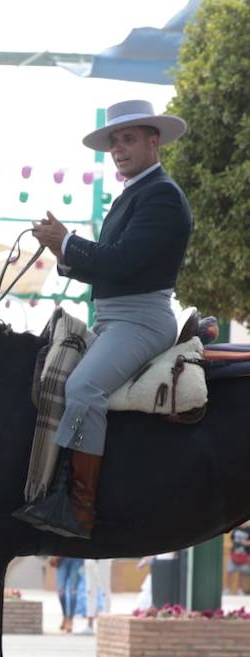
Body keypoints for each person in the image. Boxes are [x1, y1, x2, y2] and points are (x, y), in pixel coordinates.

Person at [20, 100, 193, 539]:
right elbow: (108, 264)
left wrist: (70, 241)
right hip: (114, 319)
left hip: (142, 321)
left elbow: (120, 262)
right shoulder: (133, 195)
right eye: (114, 141)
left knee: (83, 387)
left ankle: (78, 508)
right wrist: (64, 253)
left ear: (155, 142)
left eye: (128, 139)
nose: (118, 149)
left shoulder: (162, 196)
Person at [228, 525, 250, 596]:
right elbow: (232, 538)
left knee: (243, 573)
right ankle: (228, 589)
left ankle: (240, 590)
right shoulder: (236, 528)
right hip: (234, 553)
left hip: (244, 554)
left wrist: (246, 543)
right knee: (230, 571)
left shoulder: (249, 530)